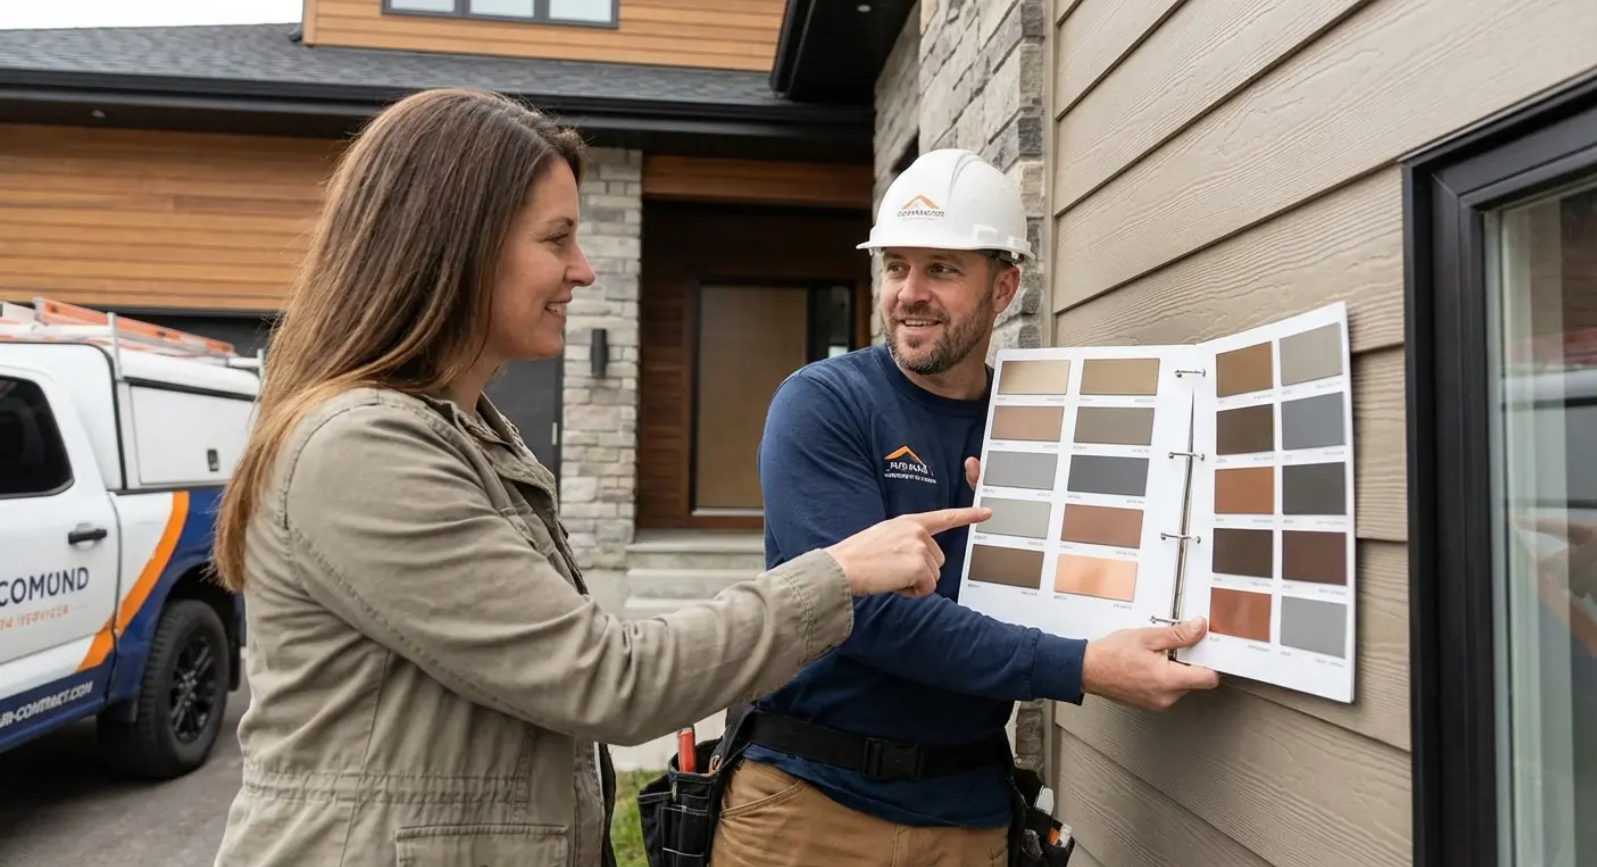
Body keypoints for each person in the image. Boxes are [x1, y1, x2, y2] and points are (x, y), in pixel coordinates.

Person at [205, 88, 992, 867]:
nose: (582, 270)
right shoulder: (363, 449)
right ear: (457, 245)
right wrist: (838, 573)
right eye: (556, 239)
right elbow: (610, 678)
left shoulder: (468, 430)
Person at [707, 149, 1223, 867]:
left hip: (967, 811)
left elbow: (1089, 575)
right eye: (895, 266)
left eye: (941, 269)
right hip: (809, 805)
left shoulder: (1037, 420)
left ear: (1003, 285)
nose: (908, 293)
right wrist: (1080, 666)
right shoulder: (824, 404)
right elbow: (863, 613)